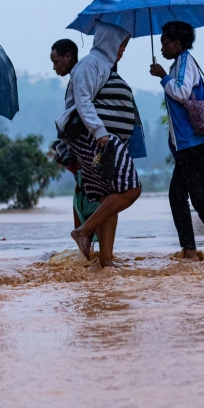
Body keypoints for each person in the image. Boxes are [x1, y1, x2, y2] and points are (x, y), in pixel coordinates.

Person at [150, 21, 204, 260]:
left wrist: (161, 76)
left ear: (178, 43)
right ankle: (191, 249)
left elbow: (180, 92)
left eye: (165, 42)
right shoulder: (179, 64)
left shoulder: (184, 63)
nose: (162, 47)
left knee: (198, 197)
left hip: (193, 143)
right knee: (179, 195)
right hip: (187, 145)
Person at [56, 21, 142, 268]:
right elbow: (83, 101)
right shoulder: (90, 64)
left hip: (100, 138)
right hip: (96, 138)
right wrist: (99, 132)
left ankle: (106, 261)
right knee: (131, 190)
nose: (122, 50)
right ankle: (84, 231)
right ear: (110, 40)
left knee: (109, 196)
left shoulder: (103, 66)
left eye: (125, 46)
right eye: (121, 44)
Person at [51, 38, 100, 232]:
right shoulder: (77, 76)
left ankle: (86, 244)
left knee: (86, 197)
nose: (55, 67)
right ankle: (91, 251)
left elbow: (83, 109)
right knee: (84, 197)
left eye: (56, 61)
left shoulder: (80, 75)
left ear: (68, 56)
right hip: (79, 148)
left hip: (84, 146)